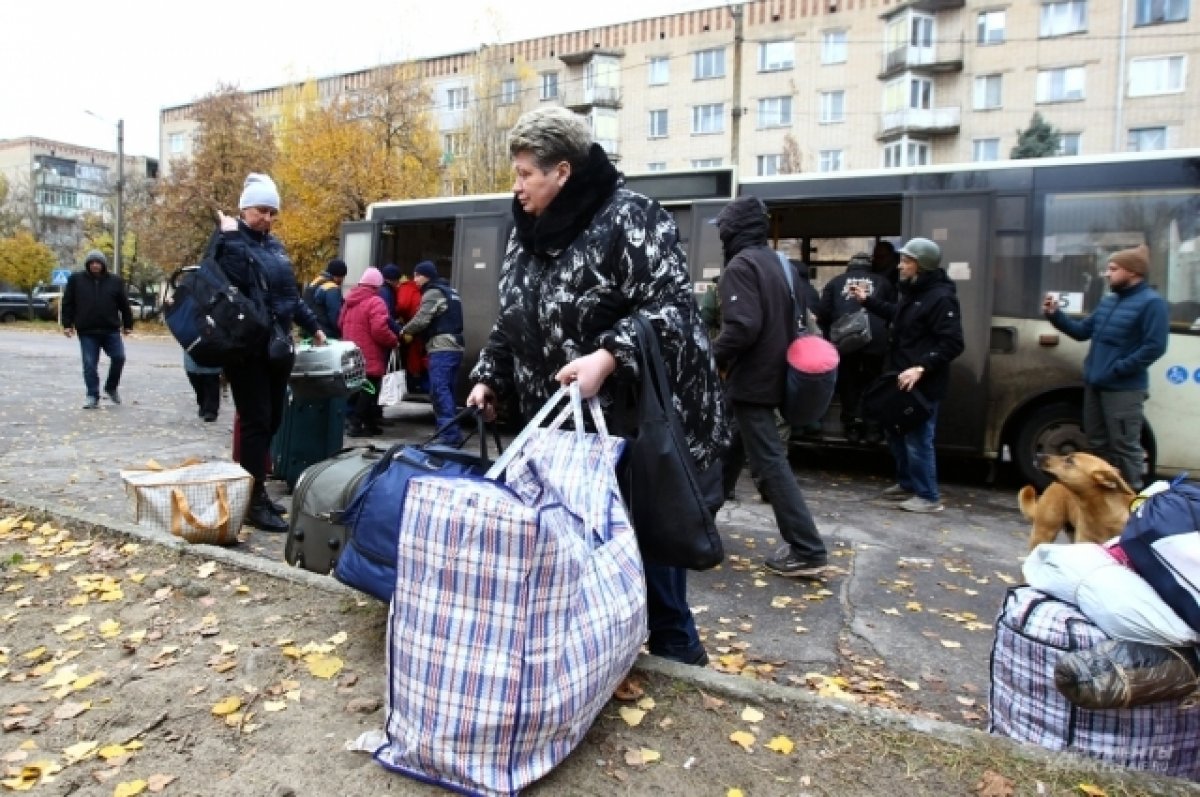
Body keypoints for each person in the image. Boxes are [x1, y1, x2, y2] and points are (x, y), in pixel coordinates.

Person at [467, 106, 727, 666]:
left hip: (628, 426)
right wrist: (490, 373)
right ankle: (593, 664)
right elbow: (515, 314)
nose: (516, 187)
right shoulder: (525, 234)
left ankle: (683, 664)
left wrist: (609, 356)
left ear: (561, 172)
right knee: (571, 559)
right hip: (559, 429)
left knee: (649, 555)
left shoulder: (632, 217)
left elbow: (675, 311)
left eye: (524, 174)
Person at [711, 195, 829, 578]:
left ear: (734, 229)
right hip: (776, 373)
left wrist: (707, 356)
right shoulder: (780, 263)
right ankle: (699, 523)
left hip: (753, 380)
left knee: (770, 464)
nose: (720, 235)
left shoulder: (741, 266)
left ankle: (807, 549)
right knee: (730, 447)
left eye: (723, 228)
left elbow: (742, 327)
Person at [216, 173, 328, 533]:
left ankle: (258, 490)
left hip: (277, 346)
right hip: (246, 347)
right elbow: (227, 281)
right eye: (262, 210)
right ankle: (251, 501)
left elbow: (289, 296)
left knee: (273, 421)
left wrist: (312, 325)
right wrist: (231, 235)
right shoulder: (227, 240)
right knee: (256, 422)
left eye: (273, 212)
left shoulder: (275, 247)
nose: (267, 218)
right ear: (244, 208)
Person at [849, 237, 964, 513]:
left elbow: (952, 343)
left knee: (918, 439)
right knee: (896, 433)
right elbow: (898, 315)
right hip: (900, 379)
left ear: (921, 266)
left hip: (922, 383)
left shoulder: (941, 298)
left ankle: (928, 496)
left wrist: (921, 367)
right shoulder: (914, 292)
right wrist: (868, 301)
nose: (900, 266)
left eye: (906, 261)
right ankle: (907, 484)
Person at [1042, 243, 1168, 490]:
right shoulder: (1109, 301)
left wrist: (1119, 369)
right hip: (1095, 384)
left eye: (1113, 268)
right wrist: (1055, 315)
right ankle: (1103, 497)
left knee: (1124, 446)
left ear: (1133, 272)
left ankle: (1131, 500)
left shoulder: (1152, 304)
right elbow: (1082, 332)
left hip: (1123, 389)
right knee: (1098, 443)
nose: (1106, 273)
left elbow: (1155, 346)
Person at [816, 251, 894, 444]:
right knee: (874, 383)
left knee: (848, 383)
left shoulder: (835, 282)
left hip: (846, 341)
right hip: (876, 340)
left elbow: (823, 314)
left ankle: (852, 427)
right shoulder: (883, 282)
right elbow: (893, 311)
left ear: (849, 266)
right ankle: (873, 429)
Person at [402, 260, 465, 446]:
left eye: (417, 275)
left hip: (442, 346)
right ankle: (448, 430)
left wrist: (404, 330)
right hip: (456, 346)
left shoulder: (433, 292)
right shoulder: (450, 291)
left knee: (439, 389)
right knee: (449, 390)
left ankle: (449, 436)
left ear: (425, 275)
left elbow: (422, 319)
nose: (415, 280)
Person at [61, 249, 133, 409]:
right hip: (87, 331)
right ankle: (92, 395)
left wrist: (128, 324)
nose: (95, 265)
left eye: (98, 262)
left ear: (103, 264)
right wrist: (67, 325)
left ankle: (111, 387)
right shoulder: (76, 280)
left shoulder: (115, 281)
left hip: (110, 329)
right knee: (89, 364)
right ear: (87, 264)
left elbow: (124, 305)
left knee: (119, 357)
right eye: (92, 263)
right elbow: (68, 303)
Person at [339, 267, 400, 437]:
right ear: (377, 286)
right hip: (369, 352)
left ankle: (366, 424)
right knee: (370, 390)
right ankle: (357, 424)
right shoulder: (375, 301)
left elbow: (340, 323)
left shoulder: (349, 300)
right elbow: (380, 329)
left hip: (350, 351)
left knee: (357, 389)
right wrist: (393, 341)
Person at [395, 267, 428, 395]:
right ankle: (420, 385)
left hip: (412, 328)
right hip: (419, 328)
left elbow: (403, 305)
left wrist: (400, 320)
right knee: (420, 357)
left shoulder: (405, 287)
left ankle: (414, 385)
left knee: (413, 358)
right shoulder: (417, 288)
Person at [303, 259, 347, 338]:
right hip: (325, 334)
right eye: (343, 277)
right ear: (339, 275)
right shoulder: (332, 289)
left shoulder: (315, 282)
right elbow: (335, 316)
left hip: (310, 330)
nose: (343, 280)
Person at [184, 352, 222, 422]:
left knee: (211, 384)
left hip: (213, 358)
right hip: (193, 355)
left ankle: (211, 411)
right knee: (197, 385)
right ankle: (203, 404)